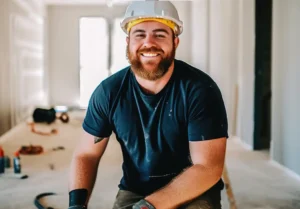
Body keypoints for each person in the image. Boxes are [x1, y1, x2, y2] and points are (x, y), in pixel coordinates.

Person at [68, 0, 228, 209]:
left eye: (160, 34)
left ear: (175, 42)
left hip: (193, 189)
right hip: (135, 189)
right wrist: (76, 205)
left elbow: (207, 168)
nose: (149, 43)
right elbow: (86, 154)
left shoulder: (200, 90)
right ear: (128, 42)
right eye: (140, 34)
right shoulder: (109, 93)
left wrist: (148, 206)